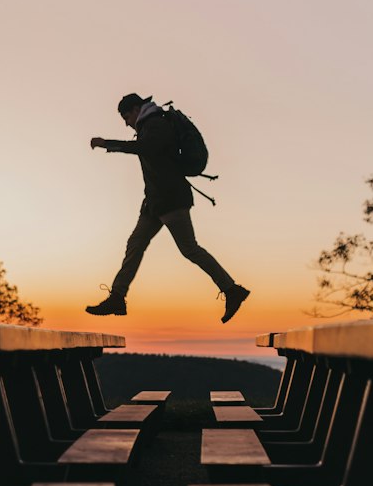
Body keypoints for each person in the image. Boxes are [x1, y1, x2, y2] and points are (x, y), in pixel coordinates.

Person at [86, 92, 250, 323]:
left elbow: (146, 148)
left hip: (171, 199)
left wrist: (109, 144)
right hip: (155, 201)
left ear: (135, 110)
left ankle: (232, 290)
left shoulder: (155, 124)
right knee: (135, 244)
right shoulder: (149, 125)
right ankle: (117, 297)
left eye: (126, 116)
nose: (126, 122)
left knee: (190, 249)